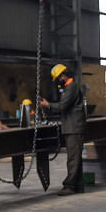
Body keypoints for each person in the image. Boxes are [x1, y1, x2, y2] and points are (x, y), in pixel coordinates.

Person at [38, 63, 88, 196]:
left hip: (74, 128)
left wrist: (48, 105)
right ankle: (78, 185)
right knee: (75, 157)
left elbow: (62, 106)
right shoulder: (69, 87)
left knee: (73, 158)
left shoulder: (72, 88)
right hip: (71, 127)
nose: (58, 81)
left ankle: (69, 186)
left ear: (63, 75)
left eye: (58, 78)